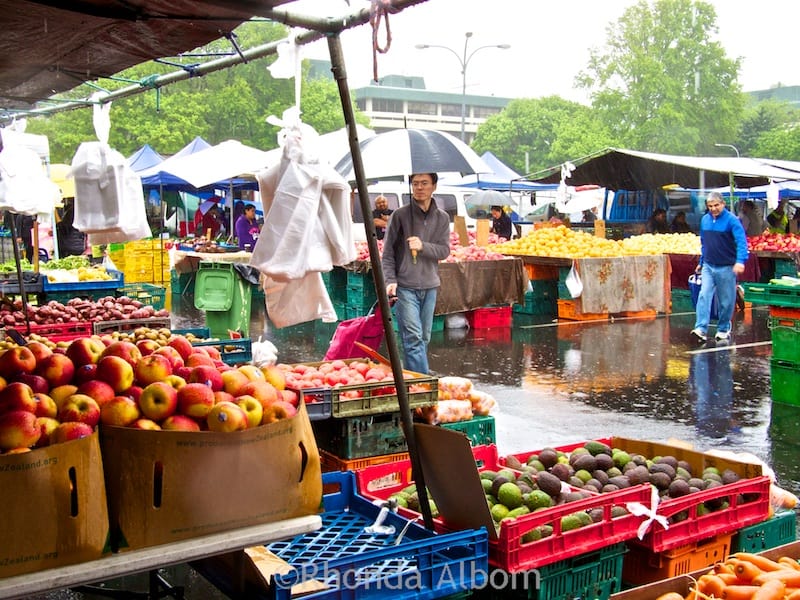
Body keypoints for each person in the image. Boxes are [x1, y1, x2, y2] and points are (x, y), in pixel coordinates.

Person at [382, 172, 451, 374]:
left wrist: (423, 246)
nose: (419, 188)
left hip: (430, 286)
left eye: (424, 183)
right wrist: (390, 280)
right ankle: (423, 382)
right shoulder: (400, 215)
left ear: (434, 187)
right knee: (412, 337)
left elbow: (444, 251)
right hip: (405, 286)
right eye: (415, 184)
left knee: (423, 338)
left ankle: (412, 380)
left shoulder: (442, 218)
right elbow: (387, 254)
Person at [691, 191, 748, 344]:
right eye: (710, 206)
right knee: (704, 295)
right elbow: (705, 244)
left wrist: (740, 261)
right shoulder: (704, 220)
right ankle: (701, 328)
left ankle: (723, 329)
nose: (714, 209)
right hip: (709, 265)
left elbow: (741, 242)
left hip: (727, 266)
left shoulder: (732, 221)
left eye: (716, 205)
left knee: (726, 300)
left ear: (723, 204)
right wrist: (701, 262)